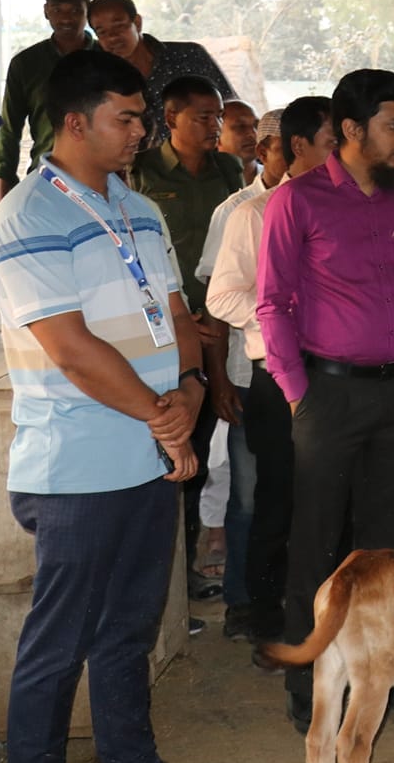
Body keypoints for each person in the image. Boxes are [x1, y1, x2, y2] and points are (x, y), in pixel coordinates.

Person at [0, 46, 228, 763]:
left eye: (143, 118)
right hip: (78, 465)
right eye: (127, 119)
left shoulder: (141, 208)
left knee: (128, 631)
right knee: (56, 645)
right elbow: (70, 348)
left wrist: (193, 385)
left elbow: (177, 312)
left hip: (148, 453)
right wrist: (169, 423)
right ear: (75, 121)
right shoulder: (27, 216)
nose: (141, 132)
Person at [256, 69, 394, 730]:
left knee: (386, 547)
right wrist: (297, 394)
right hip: (328, 394)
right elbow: (272, 303)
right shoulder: (298, 202)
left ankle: (378, 669)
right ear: (350, 129)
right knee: (315, 543)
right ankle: (305, 681)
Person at [204, 96, 335, 645]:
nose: (342, 155)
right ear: (297, 147)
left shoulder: (346, 209)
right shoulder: (250, 214)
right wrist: (280, 317)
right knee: (273, 500)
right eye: (332, 144)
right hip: (273, 376)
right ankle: (262, 612)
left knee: (331, 500)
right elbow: (220, 298)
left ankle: (326, 615)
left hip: (337, 375)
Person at [131, 74, 244, 593]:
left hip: (217, 331)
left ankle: (187, 575)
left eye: (218, 116)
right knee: (160, 451)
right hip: (162, 332)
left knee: (197, 454)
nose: (213, 126)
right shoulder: (142, 172)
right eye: (202, 116)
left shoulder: (229, 170)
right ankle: (162, 580)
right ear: (170, 118)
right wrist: (179, 319)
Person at [194, 107, 288, 638]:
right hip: (246, 375)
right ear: (264, 153)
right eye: (282, 148)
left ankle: (276, 597)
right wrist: (221, 382)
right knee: (248, 494)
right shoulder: (237, 212)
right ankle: (241, 601)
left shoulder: (313, 205)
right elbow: (216, 304)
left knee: (282, 493)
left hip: (293, 380)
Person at [0, 0, 93, 200]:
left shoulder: (107, 59)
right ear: (46, 11)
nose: (66, 19)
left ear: (88, 10)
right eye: (58, 10)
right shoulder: (26, 64)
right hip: (45, 183)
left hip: (100, 182)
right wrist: (2, 198)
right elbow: (9, 133)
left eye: (75, 10)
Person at [88, 0, 233, 147]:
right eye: (102, 32)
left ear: (137, 23)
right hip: (138, 168)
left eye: (119, 26)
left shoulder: (189, 56)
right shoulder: (100, 78)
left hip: (204, 162)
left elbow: (231, 109)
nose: (112, 37)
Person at [219, 99, 261, 185]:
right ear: (216, 136)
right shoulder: (206, 188)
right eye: (240, 126)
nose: (253, 133)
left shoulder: (278, 180)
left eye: (256, 125)